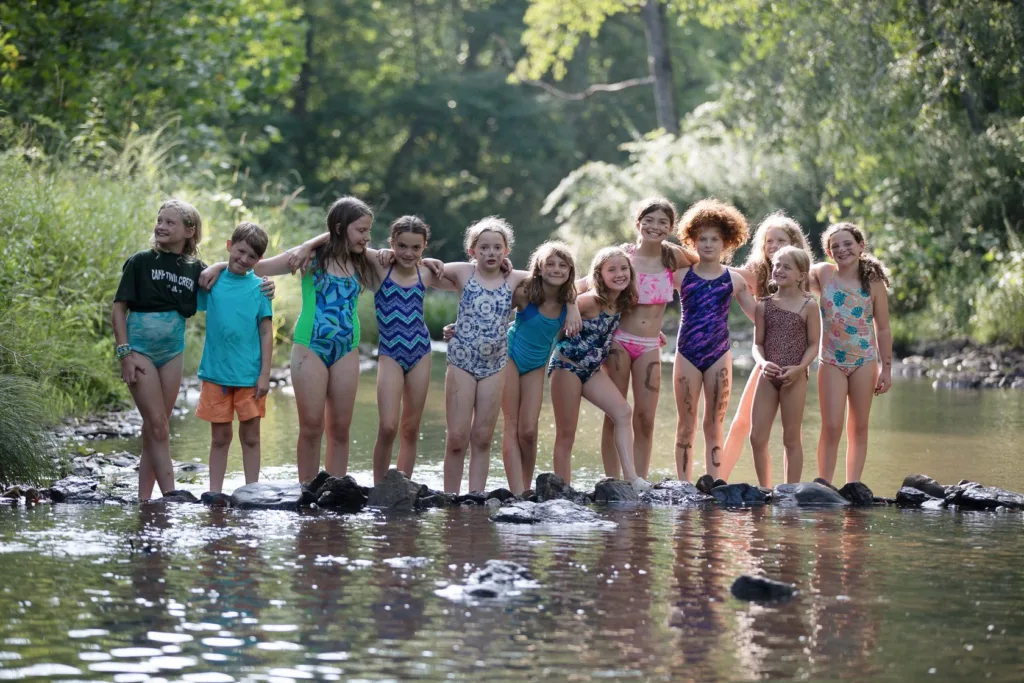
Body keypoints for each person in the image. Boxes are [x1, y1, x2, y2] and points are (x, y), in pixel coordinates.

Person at [204, 196, 382, 482]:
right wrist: (216, 267)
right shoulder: (309, 258)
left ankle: (335, 490)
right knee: (312, 426)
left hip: (347, 349)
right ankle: (308, 489)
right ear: (340, 228)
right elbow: (256, 267)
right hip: (310, 346)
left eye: (368, 231)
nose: (367, 237)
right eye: (361, 230)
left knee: (340, 427)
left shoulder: (364, 259)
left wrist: (313, 240)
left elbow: (402, 258)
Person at [113, 200, 273, 500]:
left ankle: (145, 501)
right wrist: (125, 353)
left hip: (172, 353)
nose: (161, 226)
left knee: (155, 426)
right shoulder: (140, 261)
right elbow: (118, 308)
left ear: (190, 231)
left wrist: (222, 264)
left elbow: (231, 271)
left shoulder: (196, 269)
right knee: (158, 424)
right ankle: (172, 495)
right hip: (140, 351)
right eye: (159, 220)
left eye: (169, 222)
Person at [583, 197, 697, 480]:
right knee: (615, 414)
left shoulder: (673, 257)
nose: (655, 227)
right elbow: (591, 282)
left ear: (670, 228)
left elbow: (703, 261)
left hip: (649, 347)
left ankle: (638, 481)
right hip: (619, 341)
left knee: (645, 419)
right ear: (638, 223)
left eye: (663, 223)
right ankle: (612, 481)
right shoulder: (625, 256)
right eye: (649, 221)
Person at [439, 217, 533, 494]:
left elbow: (553, 278)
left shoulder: (514, 279)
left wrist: (573, 308)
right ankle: (449, 498)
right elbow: (424, 268)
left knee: (482, 437)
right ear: (472, 251)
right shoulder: (462, 272)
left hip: (495, 364)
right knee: (457, 436)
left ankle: (475, 498)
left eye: (496, 248)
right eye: (484, 248)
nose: (490, 253)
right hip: (461, 361)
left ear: (505, 252)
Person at [549, 246, 651, 492]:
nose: (619, 274)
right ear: (599, 275)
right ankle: (564, 491)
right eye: (612, 270)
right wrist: (572, 307)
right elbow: (560, 303)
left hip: (592, 371)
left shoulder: (622, 302)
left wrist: (654, 336)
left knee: (623, 412)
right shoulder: (589, 301)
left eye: (624, 268)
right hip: (567, 367)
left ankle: (632, 479)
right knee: (567, 433)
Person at [719, 212, 812, 480]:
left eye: (780, 240)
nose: (773, 246)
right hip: (766, 357)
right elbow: (718, 268)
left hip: (796, 361)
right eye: (769, 241)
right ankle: (719, 479)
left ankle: (789, 487)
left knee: (790, 432)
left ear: (794, 243)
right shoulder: (758, 273)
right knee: (742, 423)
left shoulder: (806, 279)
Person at [672, 199, 756, 485]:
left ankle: (714, 480)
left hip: (719, 354)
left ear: (726, 243)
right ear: (693, 241)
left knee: (713, 424)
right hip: (686, 354)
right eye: (702, 239)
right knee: (686, 424)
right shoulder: (681, 276)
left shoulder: (734, 280)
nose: (708, 244)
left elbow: (759, 315)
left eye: (714, 239)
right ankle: (683, 483)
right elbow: (653, 267)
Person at [369, 216, 453, 484]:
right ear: (391, 243)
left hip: (420, 351)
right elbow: (346, 246)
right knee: (387, 426)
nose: (408, 253)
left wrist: (505, 264)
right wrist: (381, 252)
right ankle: (379, 487)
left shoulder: (426, 272)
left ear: (424, 247)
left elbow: (472, 274)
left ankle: (402, 485)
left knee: (410, 428)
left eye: (415, 248)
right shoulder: (380, 267)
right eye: (401, 246)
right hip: (390, 352)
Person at [810, 222, 892, 484]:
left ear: (860, 246)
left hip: (864, 361)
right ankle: (824, 485)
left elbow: (883, 328)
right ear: (829, 252)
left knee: (858, 427)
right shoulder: (823, 274)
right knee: (831, 426)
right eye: (835, 246)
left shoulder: (873, 283)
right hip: (831, 361)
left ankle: (853, 485)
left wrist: (886, 368)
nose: (842, 250)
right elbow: (792, 268)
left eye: (848, 244)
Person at [195, 222, 274, 493]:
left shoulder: (260, 289)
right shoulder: (213, 282)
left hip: (250, 377)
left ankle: (252, 491)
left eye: (251, 256)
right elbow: (194, 279)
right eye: (239, 251)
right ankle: (215, 492)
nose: (243, 259)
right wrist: (216, 266)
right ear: (229, 246)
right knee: (220, 437)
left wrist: (265, 374)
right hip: (216, 374)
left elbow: (266, 332)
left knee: (251, 437)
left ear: (259, 260)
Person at [500, 241, 577, 495]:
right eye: (550, 265)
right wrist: (460, 325)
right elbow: (494, 309)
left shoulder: (569, 305)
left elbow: (599, 285)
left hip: (536, 366)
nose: (556, 269)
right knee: (511, 424)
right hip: (509, 356)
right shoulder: (525, 294)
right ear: (540, 269)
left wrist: (574, 304)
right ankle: (516, 492)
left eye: (562, 265)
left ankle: (526, 486)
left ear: (569, 271)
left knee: (529, 431)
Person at [748, 245, 820, 486]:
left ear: (801, 275)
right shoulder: (763, 305)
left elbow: (813, 345)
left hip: (795, 377)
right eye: (777, 265)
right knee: (757, 437)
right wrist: (762, 363)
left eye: (787, 267)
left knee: (791, 438)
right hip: (767, 375)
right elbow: (757, 344)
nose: (779, 269)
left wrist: (800, 369)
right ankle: (765, 488)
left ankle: (790, 490)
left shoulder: (809, 305)